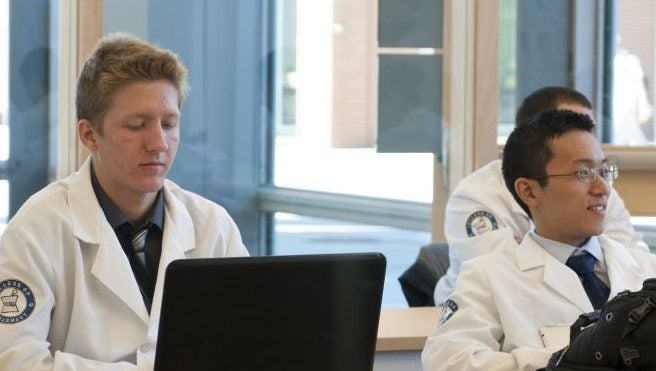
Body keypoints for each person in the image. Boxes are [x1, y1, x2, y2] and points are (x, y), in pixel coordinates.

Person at [0, 34, 249, 370]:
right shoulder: (35, 230)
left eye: (169, 124)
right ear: (89, 135)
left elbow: (250, 345)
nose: (158, 143)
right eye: (137, 125)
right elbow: (15, 362)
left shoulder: (212, 226)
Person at [422, 109, 656, 371]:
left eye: (604, 171)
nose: (602, 188)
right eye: (583, 173)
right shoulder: (488, 277)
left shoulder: (647, 268)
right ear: (529, 191)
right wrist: (560, 360)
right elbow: (447, 361)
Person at [433, 86, 648, 305]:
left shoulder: (598, 187)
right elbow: (507, 275)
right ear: (535, 133)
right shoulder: (476, 194)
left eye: (588, 128)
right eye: (568, 124)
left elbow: (626, 252)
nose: (585, 138)